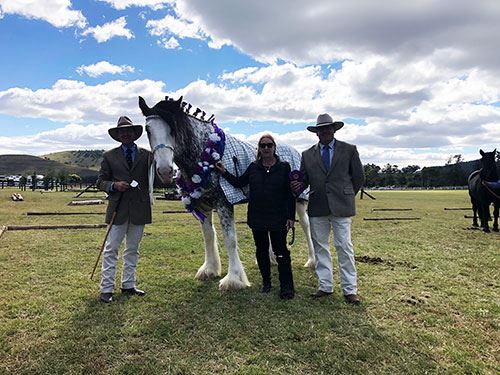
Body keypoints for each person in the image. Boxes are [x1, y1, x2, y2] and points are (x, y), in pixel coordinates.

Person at [292, 114, 364, 304]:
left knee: (344, 247)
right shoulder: (307, 154)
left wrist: (346, 194)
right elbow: (304, 179)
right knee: (320, 248)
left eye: (327, 128)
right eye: (320, 129)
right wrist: (296, 186)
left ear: (334, 129)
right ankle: (325, 285)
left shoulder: (349, 150)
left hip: (342, 206)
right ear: (316, 133)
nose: (324, 132)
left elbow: (358, 178)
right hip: (318, 207)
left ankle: (350, 289)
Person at [215, 134, 296, 299]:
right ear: (259, 149)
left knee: (281, 252)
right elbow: (239, 182)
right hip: (257, 217)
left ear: (274, 148)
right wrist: (224, 172)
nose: (266, 148)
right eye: (263, 145)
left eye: (269, 145)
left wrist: (291, 217)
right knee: (261, 251)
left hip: (278, 216)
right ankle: (266, 283)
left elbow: (290, 194)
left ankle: (286, 286)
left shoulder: (284, 167)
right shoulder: (253, 167)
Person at [96, 116, 152, 303]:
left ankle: (128, 285)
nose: (126, 134)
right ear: (118, 135)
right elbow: (100, 182)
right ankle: (106, 289)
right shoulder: (109, 156)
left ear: (135, 134)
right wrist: (114, 185)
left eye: (129, 131)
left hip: (139, 209)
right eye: (122, 131)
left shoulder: (147, 155)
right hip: (117, 209)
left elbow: (156, 177)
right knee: (111, 249)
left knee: (133, 250)